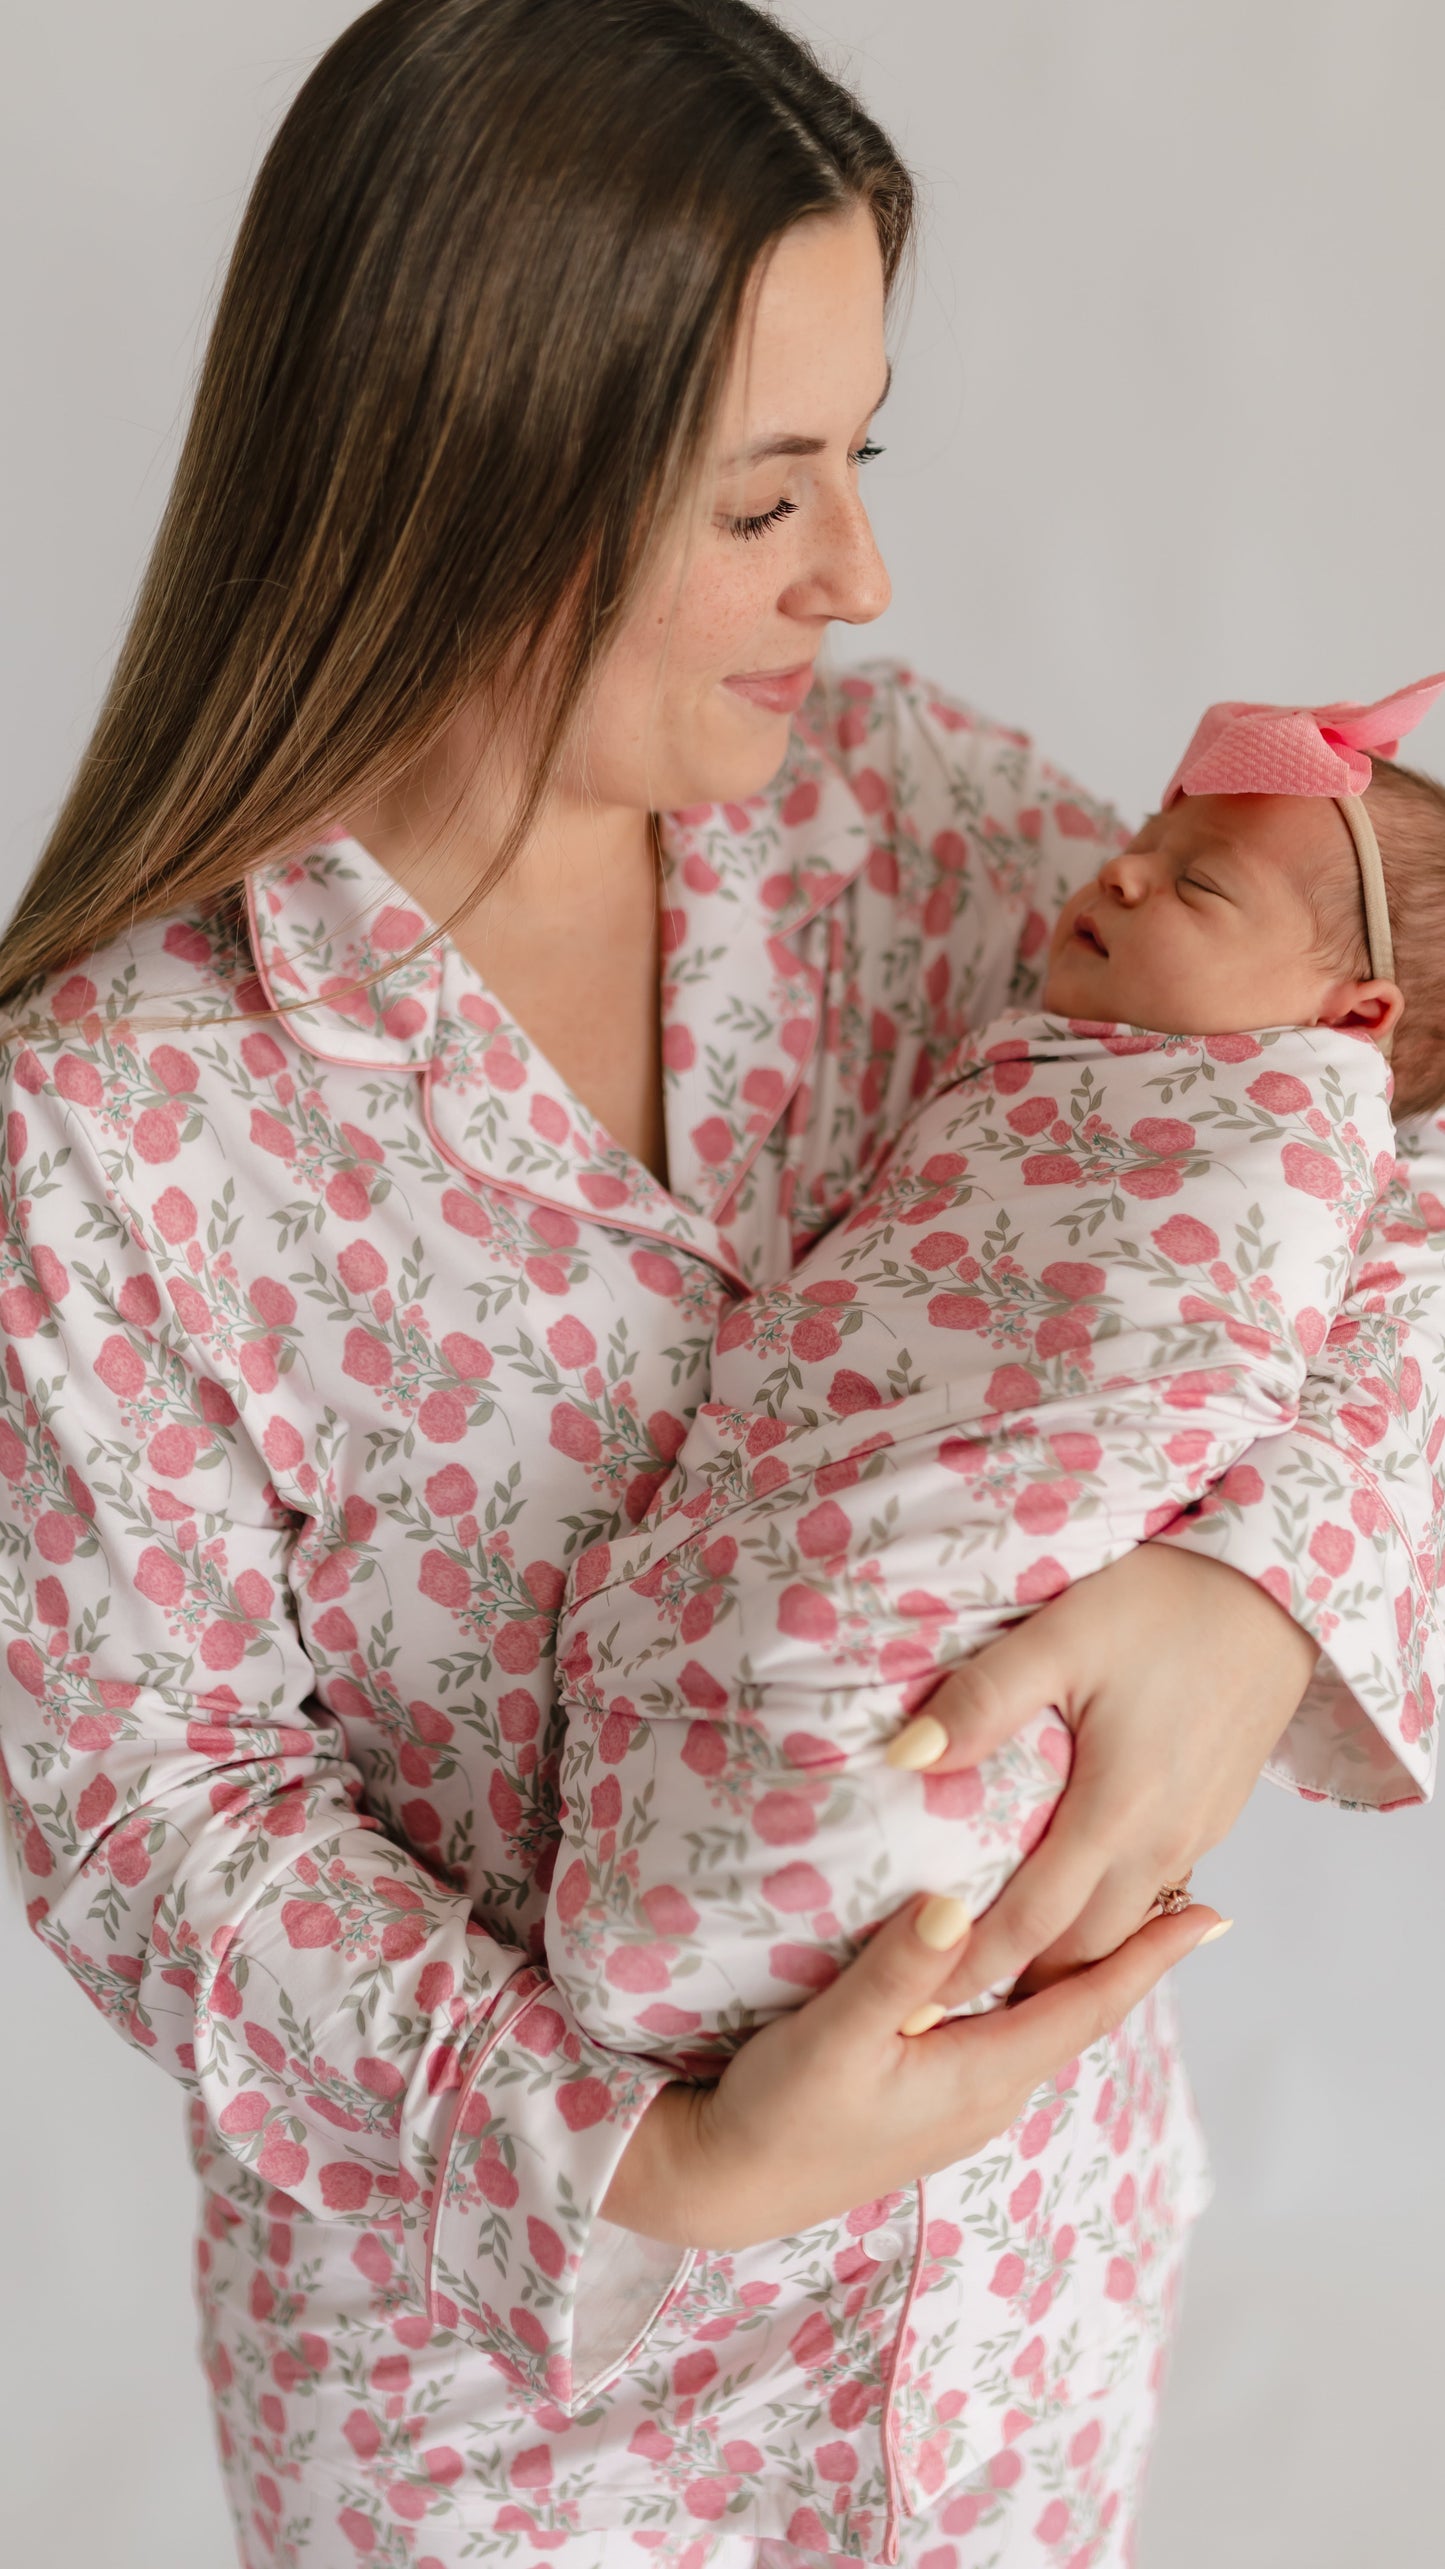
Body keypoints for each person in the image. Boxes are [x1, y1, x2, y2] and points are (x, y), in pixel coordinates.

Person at [0, 6, 1439, 2564]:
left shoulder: (926, 834)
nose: (860, 575)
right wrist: (657, 2155)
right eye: (767, 497)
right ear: (474, 479)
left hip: (1015, 2322)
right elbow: (163, 1815)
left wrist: (1256, 1590)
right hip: (505, 2427)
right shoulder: (119, 1122)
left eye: (857, 462)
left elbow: (1360, 1159)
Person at [548, 683, 1445, 2064]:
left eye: (1195, 879)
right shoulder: (1059, 1034)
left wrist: (1252, 1581)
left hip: (1038, 2182)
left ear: (1350, 1016)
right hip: (515, 2152)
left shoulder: (1285, 1128)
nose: (1124, 866)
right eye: (1152, 834)